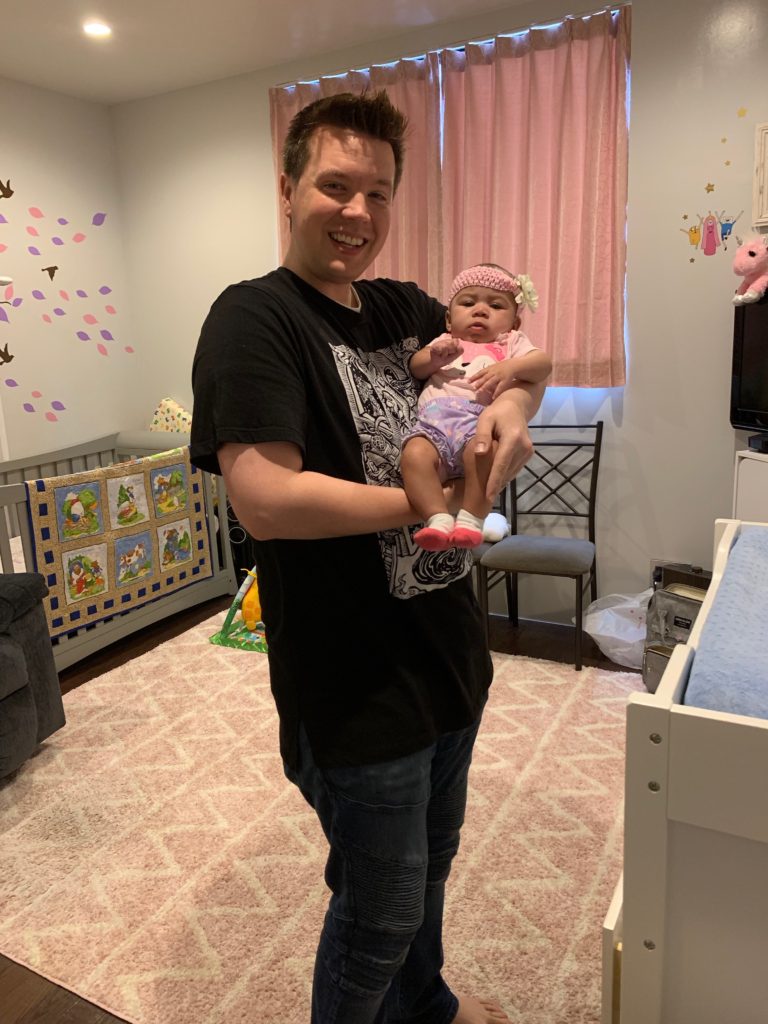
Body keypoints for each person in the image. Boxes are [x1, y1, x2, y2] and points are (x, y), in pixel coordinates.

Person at [190, 90, 546, 1024]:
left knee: (431, 869)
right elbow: (267, 501)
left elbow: (501, 358)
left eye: (378, 193)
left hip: (450, 655)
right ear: (288, 189)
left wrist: (512, 412)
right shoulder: (254, 320)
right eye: (335, 186)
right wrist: (440, 506)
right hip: (353, 686)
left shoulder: (401, 305)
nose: (358, 212)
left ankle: (426, 1007)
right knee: (379, 910)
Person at [402, 263, 551, 551]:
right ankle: (437, 519)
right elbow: (416, 368)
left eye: (496, 305)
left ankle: (471, 521)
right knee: (414, 455)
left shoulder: (511, 343)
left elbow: (543, 364)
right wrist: (433, 358)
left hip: (478, 424)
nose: (480, 310)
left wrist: (512, 367)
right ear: (448, 319)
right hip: (433, 424)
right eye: (468, 303)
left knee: (483, 454)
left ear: (515, 323)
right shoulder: (445, 342)